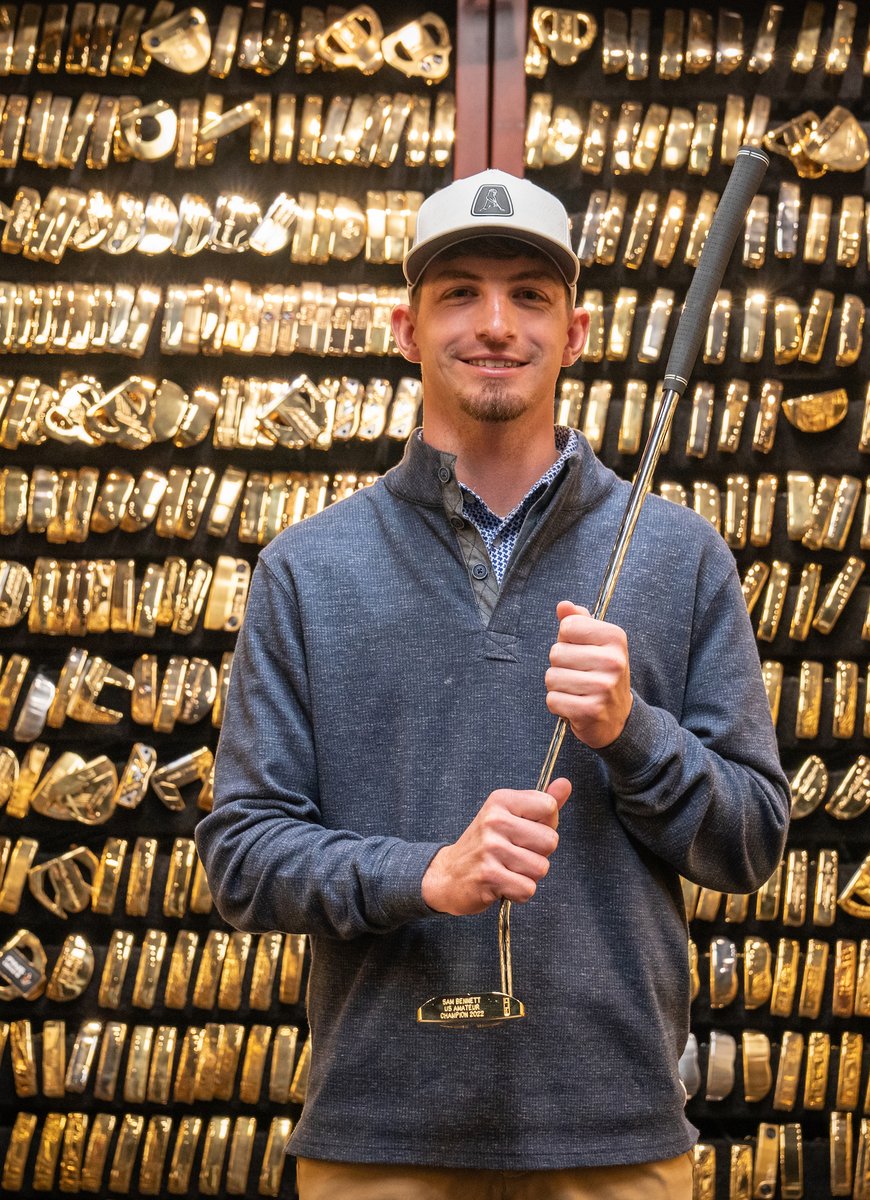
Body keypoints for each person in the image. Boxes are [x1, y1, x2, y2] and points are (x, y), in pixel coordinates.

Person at [196, 168, 791, 1200]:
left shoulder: (679, 556)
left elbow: (749, 845)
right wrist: (425, 876)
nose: (495, 324)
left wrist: (633, 733)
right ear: (405, 327)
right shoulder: (307, 569)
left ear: (576, 332)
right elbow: (244, 860)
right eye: (460, 291)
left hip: (616, 1141)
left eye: (529, 294)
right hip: (377, 1143)